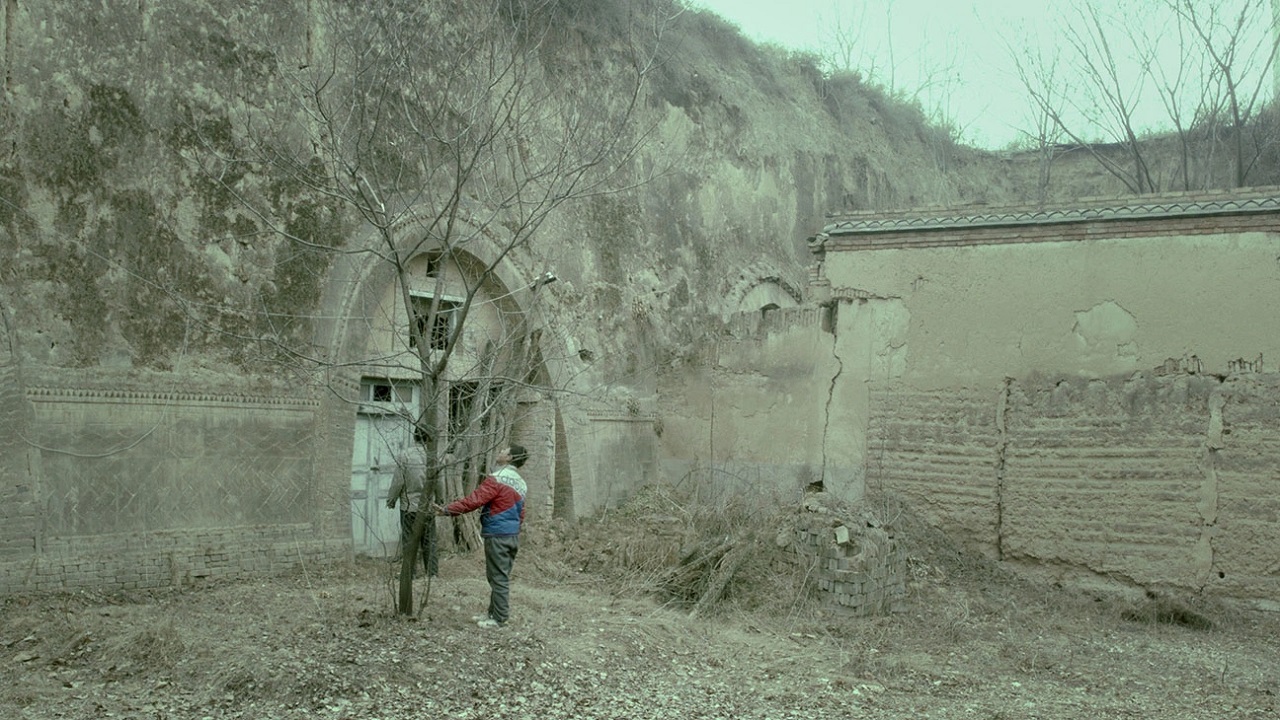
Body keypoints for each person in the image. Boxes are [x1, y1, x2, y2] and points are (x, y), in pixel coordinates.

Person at [435, 444, 527, 628]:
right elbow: (521, 514)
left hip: (497, 534)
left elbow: (474, 501)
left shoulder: (497, 478)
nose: (500, 451)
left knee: (497, 577)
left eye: (504, 450)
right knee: (500, 575)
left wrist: (447, 510)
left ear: (509, 458)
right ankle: (493, 613)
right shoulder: (521, 483)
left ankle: (499, 618)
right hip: (512, 534)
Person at [385, 441, 437, 579]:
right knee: (429, 540)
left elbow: (398, 481)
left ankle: (410, 573)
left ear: (414, 437)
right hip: (428, 506)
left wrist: (391, 500)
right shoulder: (432, 456)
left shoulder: (405, 456)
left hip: (409, 507)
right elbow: (438, 480)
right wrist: (441, 500)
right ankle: (432, 574)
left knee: (409, 541)